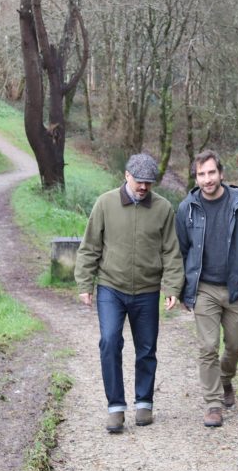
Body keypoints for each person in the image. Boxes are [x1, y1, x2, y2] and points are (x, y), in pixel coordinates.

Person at [75, 153, 183, 434]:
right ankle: (116, 408)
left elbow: (171, 252)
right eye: (139, 181)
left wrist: (172, 287)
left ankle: (144, 401)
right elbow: (89, 247)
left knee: (147, 348)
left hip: (147, 289)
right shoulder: (105, 204)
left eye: (149, 182)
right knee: (110, 342)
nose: (144, 187)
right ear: (126, 176)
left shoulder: (163, 209)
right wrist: (85, 283)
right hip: (111, 286)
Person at [176, 149, 238, 427]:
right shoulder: (186, 209)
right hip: (204, 288)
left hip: (237, 289)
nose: (207, 179)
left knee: (237, 344)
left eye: (211, 172)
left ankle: (226, 378)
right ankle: (213, 404)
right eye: (201, 174)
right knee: (207, 346)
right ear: (196, 177)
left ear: (221, 173)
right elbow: (180, 251)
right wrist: (181, 290)